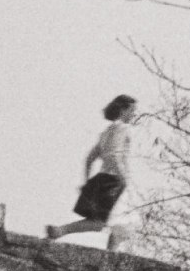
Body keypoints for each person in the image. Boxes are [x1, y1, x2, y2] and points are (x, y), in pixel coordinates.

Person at [46, 95, 138, 251]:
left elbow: (89, 159)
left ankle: (60, 231)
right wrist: (124, 179)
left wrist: (87, 181)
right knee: (126, 223)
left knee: (100, 222)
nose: (134, 115)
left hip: (101, 179)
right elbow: (114, 155)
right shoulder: (123, 128)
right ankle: (110, 255)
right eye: (132, 110)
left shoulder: (106, 132)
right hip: (115, 180)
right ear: (124, 110)